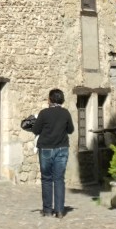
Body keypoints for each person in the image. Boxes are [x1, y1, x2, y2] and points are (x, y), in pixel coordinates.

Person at [30, 88, 74, 218]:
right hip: (62, 149)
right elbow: (70, 130)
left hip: (46, 149)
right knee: (59, 179)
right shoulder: (65, 113)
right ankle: (59, 210)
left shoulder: (44, 113)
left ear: (50, 99)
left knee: (47, 179)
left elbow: (36, 130)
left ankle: (47, 210)